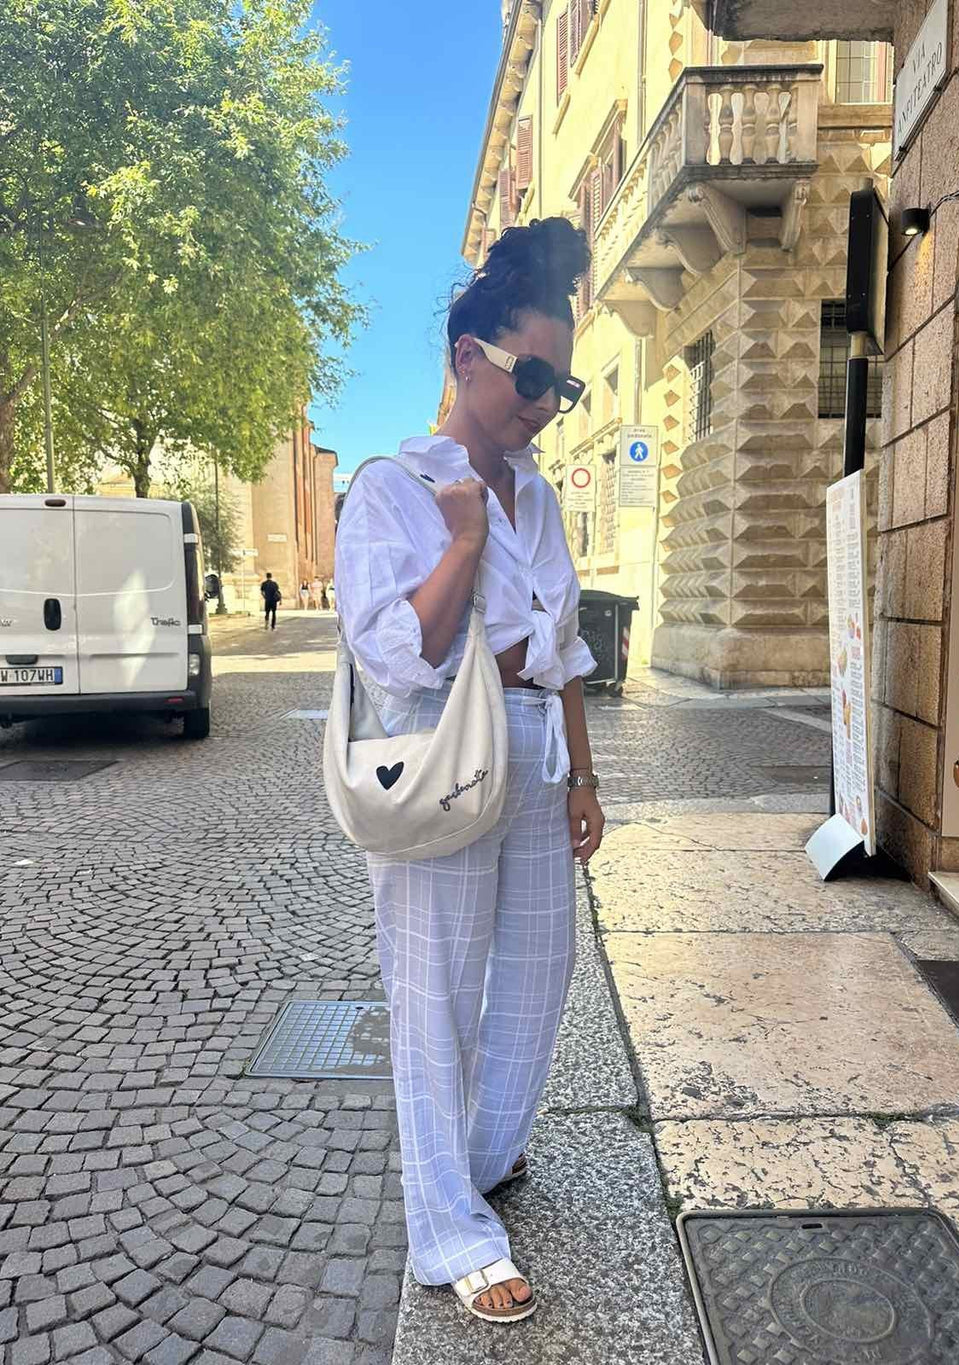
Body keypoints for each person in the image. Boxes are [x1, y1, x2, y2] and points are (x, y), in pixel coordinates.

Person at [335, 217, 604, 1325]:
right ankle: (449, 1229)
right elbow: (395, 649)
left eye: (563, 383)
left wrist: (585, 776)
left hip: (538, 764)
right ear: (467, 358)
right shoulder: (394, 484)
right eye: (530, 375)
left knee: (540, 982)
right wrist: (458, 547)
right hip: (445, 758)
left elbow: (569, 646)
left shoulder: (538, 494)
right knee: (435, 995)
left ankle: (479, 1161)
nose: (544, 402)